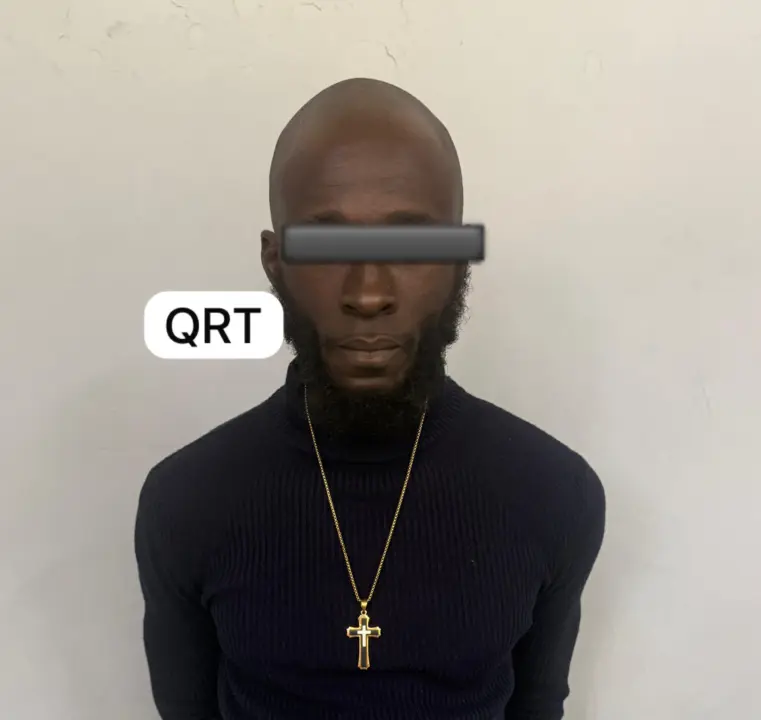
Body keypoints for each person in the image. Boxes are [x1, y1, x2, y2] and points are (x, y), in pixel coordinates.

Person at [135, 77, 606, 720]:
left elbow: (538, 705)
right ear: (275, 261)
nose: (367, 293)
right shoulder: (186, 502)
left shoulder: (555, 494)